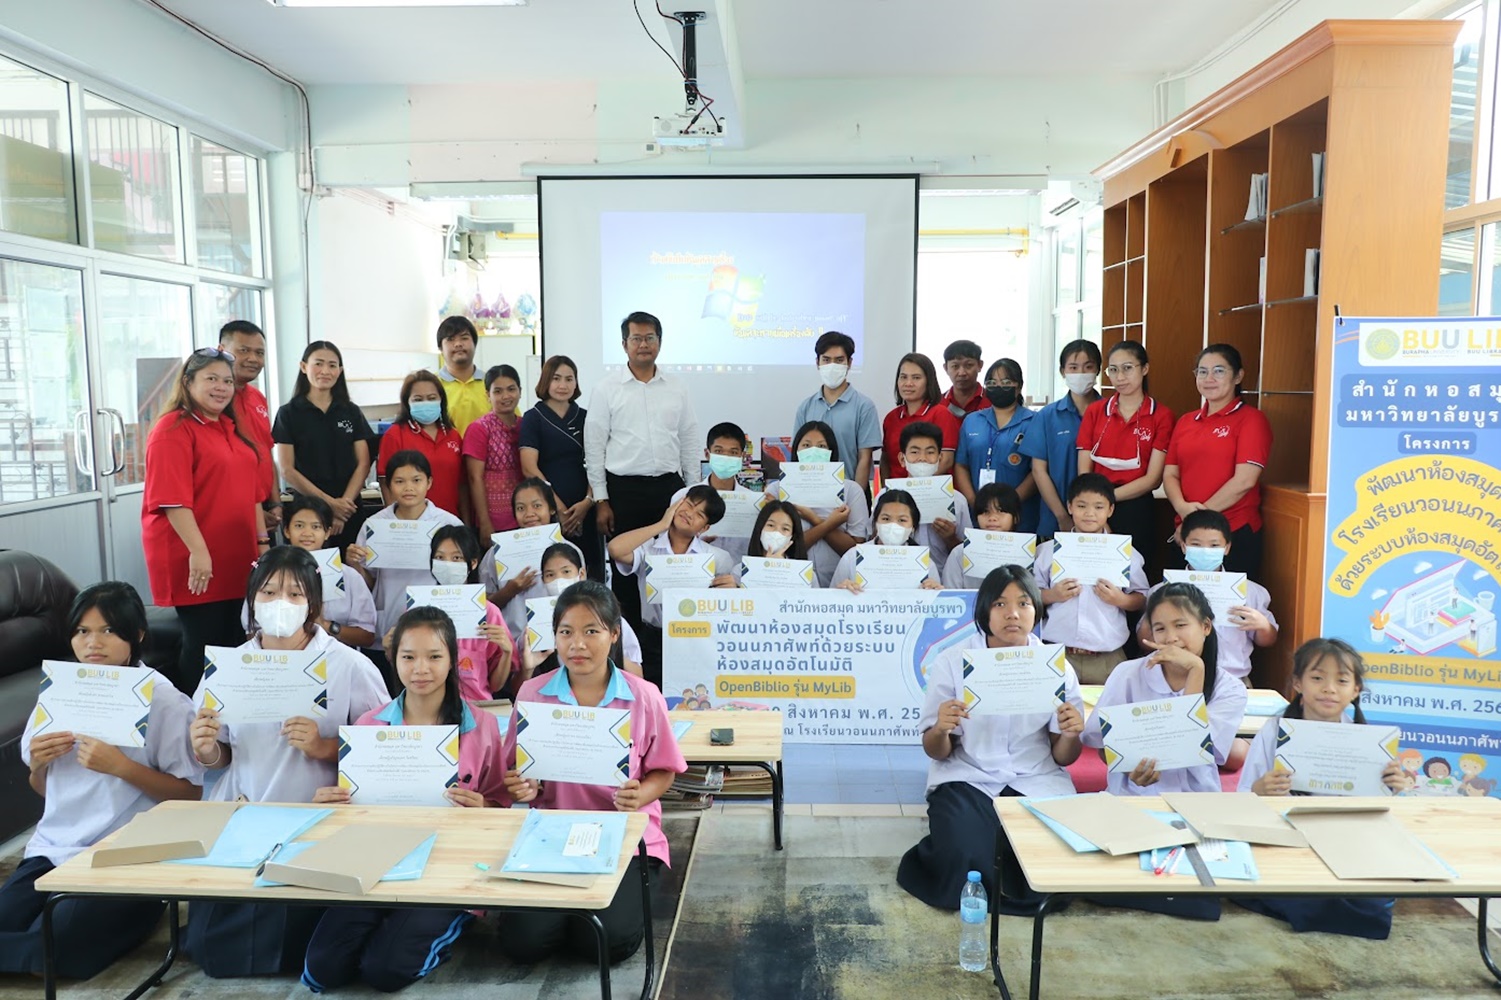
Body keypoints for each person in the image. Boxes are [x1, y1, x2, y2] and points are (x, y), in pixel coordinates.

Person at [186, 547, 388, 978]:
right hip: (245, 815)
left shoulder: (349, 665)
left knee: (288, 936)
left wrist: (324, 747)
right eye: (269, 592)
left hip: (318, 821)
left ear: (313, 604)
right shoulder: (229, 667)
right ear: (252, 600)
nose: (281, 603)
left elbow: (382, 751)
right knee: (207, 944)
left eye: (295, 594)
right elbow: (222, 754)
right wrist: (207, 749)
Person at [302, 606, 507, 993]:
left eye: (434, 656)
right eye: (408, 657)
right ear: (393, 659)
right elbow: (352, 808)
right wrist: (332, 805)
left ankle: (446, 928)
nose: (420, 669)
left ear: (452, 659)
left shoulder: (482, 727)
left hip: (448, 871)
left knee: (385, 970)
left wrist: (484, 807)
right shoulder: (369, 726)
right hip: (375, 866)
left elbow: (502, 804)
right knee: (321, 971)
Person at [3, 583, 201, 980]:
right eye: (82, 631)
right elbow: (46, 789)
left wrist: (122, 767)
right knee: (16, 926)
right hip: (54, 849)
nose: (93, 643)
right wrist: (39, 766)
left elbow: (191, 793)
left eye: (108, 630)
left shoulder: (163, 700)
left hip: (126, 856)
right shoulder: (60, 692)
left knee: (57, 950)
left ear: (137, 635)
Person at [500, 582, 687, 965]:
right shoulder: (533, 694)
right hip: (552, 835)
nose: (577, 644)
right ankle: (566, 914)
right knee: (522, 944)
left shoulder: (644, 696)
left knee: (606, 943)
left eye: (591, 631)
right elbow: (514, 771)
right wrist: (524, 787)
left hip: (625, 837)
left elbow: (664, 770)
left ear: (614, 634)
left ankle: (581, 915)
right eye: (566, 632)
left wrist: (641, 795)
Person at [896, 565, 1085, 912]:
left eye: (1023, 603)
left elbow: (1063, 757)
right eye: (1000, 604)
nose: (1013, 613)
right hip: (969, 778)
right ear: (984, 610)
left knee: (1057, 855)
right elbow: (936, 751)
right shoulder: (953, 662)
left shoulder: (1056, 667)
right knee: (964, 853)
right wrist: (940, 729)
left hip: (1036, 779)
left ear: (1036, 610)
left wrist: (1071, 733)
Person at [1236, 638, 1404, 939]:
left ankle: (1312, 904)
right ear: (1297, 683)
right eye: (1317, 678)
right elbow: (1243, 799)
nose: (1329, 689)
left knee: (1379, 893)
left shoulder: (1369, 741)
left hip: (1342, 841)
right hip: (1285, 837)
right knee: (1248, 875)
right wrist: (1261, 788)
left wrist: (1392, 786)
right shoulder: (1274, 731)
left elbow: (1374, 814)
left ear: (1355, 690)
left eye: (1341, 681)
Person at [143, 347, 270, 692]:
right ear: (188, 382)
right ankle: (192, 715)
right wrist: (199, 552)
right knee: (204, 643)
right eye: (211, 378)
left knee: (236, 637)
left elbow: (253, 494)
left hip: (236, 553)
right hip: (195, 555)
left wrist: (262, 544)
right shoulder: (173, 429)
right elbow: (172, 501)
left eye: (227, 381)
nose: (221, 387)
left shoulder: (230, 426)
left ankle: (229, 714)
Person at [584, 312, 701, 627]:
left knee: (672, 565)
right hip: (624, 491)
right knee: (626, 572)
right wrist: (601, 500)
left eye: (650, 338)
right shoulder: (606, 388)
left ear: (659, 342)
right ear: (625, 344)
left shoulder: (677, 387)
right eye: (636, 338)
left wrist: (693, 491)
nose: (643, 344)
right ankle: (631, 643)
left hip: (669, 490)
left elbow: (690, 440)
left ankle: (670, 635)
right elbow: (594, 447)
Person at [1081, 582, 1247, 795]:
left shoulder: (1230, 688)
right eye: (1160, 628)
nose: (1171, 638)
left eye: (1180, 625)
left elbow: (1193, 746)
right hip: (1132, 794)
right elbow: (1103, 743)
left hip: (1197, 797)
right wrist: (1129, 767)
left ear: (1206, 626)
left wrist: (1196, 670)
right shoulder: (1127, 674)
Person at [346, 450, 465, 684]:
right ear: (389, 486)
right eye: (399, 481)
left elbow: (463, 578)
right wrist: (354, 566)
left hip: (437, 625)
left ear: (429, 482)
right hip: (388, 622)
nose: (408, 488)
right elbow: (369, 582)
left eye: (416, 480)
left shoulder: (449, 524)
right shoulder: (374, 525)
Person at [1163, 343, 1273, 578]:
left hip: (1232, 532)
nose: (1209, 378)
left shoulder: (1252, 420)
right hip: (1187, 534)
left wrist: (1195, 520)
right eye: (1202, 371)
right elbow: (1170, 474)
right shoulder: (1186, 421)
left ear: (1238, 376)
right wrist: (1183, 509)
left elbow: (1244, 481)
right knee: (1180, 599)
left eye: (1219, 371)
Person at [608, 486, 736, 686]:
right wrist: (661, 524)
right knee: (653, 692)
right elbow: (615, 549)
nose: (689, 514)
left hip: (697, 638)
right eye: (689, 505)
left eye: (699, 514)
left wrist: (733, 591)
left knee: (694, 693)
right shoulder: (648, 548)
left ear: (704, 528)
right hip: (653, 637)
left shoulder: (717, 558)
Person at [1034, 474, 1149, 684]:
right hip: (1058, 655)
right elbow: (1030, 596)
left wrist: (1121, 600)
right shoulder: (1048, 551)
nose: (1089, 513)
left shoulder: (1125, 553)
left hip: (1107, 658)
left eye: (1098, 507)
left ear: (1110, 510)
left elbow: (1142, 598)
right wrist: (1052, 595)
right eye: (1081, 506)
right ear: (1069, 507)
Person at [1139, 509, 1277, 683]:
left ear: (1227, 548)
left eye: (1214, 546)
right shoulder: (1161, 591)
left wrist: (1263, 626)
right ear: (1184, 546)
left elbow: (1268, 640)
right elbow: (1144, 641)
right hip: (1175, 679)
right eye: (1196, 545)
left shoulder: (1249, 591)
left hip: (1231, 678)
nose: (1205, 551)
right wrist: (1152, 616)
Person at [1076, 341, 1174, 561]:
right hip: (1095, 507)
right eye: (1113, 369)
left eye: (1127, 368)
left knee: (1135, 569)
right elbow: (1084, 470)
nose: (1120, 377)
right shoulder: (1095, 411)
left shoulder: (1161, 415)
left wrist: (1105, 500)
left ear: (1144, 368)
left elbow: (1153, 479)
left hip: (1136, 505)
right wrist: (1097, 507)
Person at [273, 341, 374, 551]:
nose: (325, 371)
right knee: (309, 568)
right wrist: (330, 504)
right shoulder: (288, 413)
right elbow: (287, 469)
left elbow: (364, 463)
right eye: (318, 363)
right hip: (307, 511)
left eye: (332, 365)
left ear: (340, 371)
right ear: (303, 367)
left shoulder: (351, 411)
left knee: (353, 564)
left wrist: (342, 508)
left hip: (349, 509)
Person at [245, 495, 377, 651]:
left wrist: (326, 626)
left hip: (332, 658)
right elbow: (251, 630)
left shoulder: (348, 576)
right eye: (299, 525)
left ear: (327, 532)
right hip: (279, 657)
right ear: (286, 530)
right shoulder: (268, 574)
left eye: (316, 527)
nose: (307, 533)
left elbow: (367, 636)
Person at [518, 355, 601, 578]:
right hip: (549, 509)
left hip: (586, 508)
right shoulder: (533, 418)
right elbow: (529, 467)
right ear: (545, 380)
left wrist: (587, 502)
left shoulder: (586, 417)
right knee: (552, 571)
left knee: (589, 572)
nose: (563, 385)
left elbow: (598, 462)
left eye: (569, 379)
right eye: (556, 378)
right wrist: (560, 510)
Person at [518, 544, 645, 682]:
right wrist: (528, 668)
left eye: (566, 572)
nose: (558, 580)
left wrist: (607, 649)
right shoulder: (535, 625)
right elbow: (519, 687)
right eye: (550, 575)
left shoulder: (609, 617)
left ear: (581, 574)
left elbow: (638, 678)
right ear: (543, 580)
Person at [770, 421, 867, 588]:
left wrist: (814, 519)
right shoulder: (777, 490)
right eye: (806, 445)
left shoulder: (851, 490)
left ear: (831, 452)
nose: (813, 451)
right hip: (791, 583)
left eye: (821, 446)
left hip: (842, 584)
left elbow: (855, 551)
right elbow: (782, 549)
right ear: (796, 450)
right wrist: (828, 524)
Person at [1022, 339, 1102, 540]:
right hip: (1054, 519)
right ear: (1062, 371)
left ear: (1098, 370)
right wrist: (1062, 516)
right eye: (1073, 367)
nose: (1080, 373)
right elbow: (1039, 470)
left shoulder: (1110, 413)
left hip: (1102, 518)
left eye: (1088, 367)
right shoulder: (1047, 416)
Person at [478, 477, 573, 643]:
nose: (529, 514)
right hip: (511, 643)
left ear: (551, 509)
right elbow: (482, 606)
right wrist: (509, 591)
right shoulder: (497, 553)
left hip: (560, 641)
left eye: (537, 506)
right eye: (521, 508)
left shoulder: (570, 551)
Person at [426, 524, 514, 702]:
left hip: (476, 708)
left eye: (456, 558)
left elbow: (495, 685)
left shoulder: (489, 612)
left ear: (473, 563)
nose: (448, 564)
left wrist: (507, 652)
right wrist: (392, 647)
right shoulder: (418, 608)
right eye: (440, 557)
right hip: (428, 708)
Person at [953, 358, 1038, 532]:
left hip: (1019, 512)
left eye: (1005, 382)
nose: (998, 387)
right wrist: (975, 502)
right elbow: (961, 465)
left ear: (1019, 387)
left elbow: (1037, 470)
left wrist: (1010, 504)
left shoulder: (1033, 421)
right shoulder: (972, 420)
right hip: (979, 514)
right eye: (992, 383)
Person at [791, 331, 881, 491]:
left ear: (849, 363)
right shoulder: (806, 407)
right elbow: (797, 454)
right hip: (810, 491)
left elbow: (864, 458)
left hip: (850, 490)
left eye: (839, 360)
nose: (832, 366)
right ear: (817, 362)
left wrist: (855, 496)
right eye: (826, 360)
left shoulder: (864, 406)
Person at [220, 320, 281, 534]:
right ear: (221, 350)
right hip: (232, 509)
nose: (253, 359)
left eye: (259, 353)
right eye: (244, 350)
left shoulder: (258, 397)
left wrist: (276, 503)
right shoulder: (215, 401)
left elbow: (266, 452)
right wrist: (250, 510)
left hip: (265, 507)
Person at [379, 370, 465, 521]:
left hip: (450, 521)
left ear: (441, 400)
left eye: (432, 398)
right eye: (418, 399)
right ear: (407, 402)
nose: (426, 403)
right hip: (411, 523)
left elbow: (462, 485)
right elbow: (386, 482)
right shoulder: (395, 435)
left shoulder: (453, 435)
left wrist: (466, 522)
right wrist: (396, 523)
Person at [895, 420, 972, 574]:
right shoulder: (887, 497)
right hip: (901, 576)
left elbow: (969, 555)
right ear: (902, 459)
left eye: (930, 452)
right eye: (914, 452)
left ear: (940, 458)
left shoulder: (957, 500)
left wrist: (950, 537)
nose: (922, 458)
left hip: (944, 577)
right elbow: (873, 543)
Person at [830, 489, 943, 592]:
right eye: (886, 519)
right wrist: (842, 591)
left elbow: (936, 604)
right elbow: (831, 601)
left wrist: (935, 591)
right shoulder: (852, 557)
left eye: (902, 520)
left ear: (913, 527)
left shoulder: (925, 564)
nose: (893, 525)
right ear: (876, 522)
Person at [463, 364, 524, 545]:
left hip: (525, 517)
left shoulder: (526, 425)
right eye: (498, 391)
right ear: (487, 395)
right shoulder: (479, 429)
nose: (506, 396)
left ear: (520, 391)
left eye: (511, 389)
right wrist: (484, 522)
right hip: (493, 521)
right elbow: (474, 478)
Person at [681, 421, 754, 566]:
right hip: (694, 571)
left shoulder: (753, 502)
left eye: (733, 452)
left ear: (743, 456)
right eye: (719, 451)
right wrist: (694, 542)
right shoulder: (683, 497)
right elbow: (669, 544)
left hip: (739, 575)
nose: (726, 457)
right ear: (707, 454)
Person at [881, 353, 959, 479]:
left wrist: (916, 486)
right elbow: (886, 460)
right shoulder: (891, 418)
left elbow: (946, 460)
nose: (908, 383)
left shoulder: (941, 414)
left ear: (929, 381)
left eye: (916, 378)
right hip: (896, 489)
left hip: (930, 488)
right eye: (903, 377)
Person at [940, 483, 1025, 589]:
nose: (992, 518)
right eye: (985, 512)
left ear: (1016, 517)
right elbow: (950, 593)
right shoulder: (959, 553)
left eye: (1000, 511)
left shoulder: (1025, 553)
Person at [434, 316, 488, 434]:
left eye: (464, 338)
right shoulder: (432, 385)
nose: (458, 344)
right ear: (440, 348)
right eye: (450, 339)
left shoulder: (492, 383)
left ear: (474, 344)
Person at [736, 500, 810, 586]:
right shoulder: (740, 571)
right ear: (760, 528)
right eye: (770, 525)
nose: (776, 532)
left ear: (792, 536)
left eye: (785, 529)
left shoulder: (806, 574)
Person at [940, 339, 988, 421]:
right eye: (955, 366)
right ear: (946, 368)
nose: (962, 373)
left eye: (968, 365)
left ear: (980, 365)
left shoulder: (992, 401)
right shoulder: (938, 404)